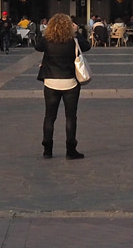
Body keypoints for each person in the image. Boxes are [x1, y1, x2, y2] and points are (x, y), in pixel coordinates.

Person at [32, 12, 90, 159]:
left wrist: (44, 32)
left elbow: (37, 46)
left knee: (49, 116)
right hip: (70, 81)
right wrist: (77, 32)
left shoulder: (47, 40)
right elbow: (87, 46)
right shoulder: (73, 40)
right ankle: (71, 149)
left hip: (50, 81)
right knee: (70, 116)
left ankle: (47, 148)